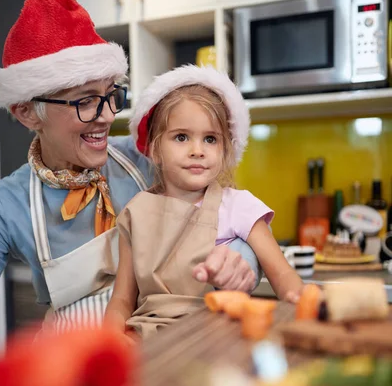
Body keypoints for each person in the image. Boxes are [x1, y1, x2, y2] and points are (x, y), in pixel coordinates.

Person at [0, 0, 259, 333]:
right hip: (78, 364)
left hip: (166, 344)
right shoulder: (5, 205)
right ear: (26, 112)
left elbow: (231, 215)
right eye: (85, 101)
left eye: (110, 95)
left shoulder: (149, 156)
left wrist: (241, 260)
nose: (106, 116)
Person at [105, 65, 303, 338]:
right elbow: (122, 301)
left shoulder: (240, 206)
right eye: (181, 137)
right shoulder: (135, 212)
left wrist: (303, 306)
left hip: (217, 336)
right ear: (154, 149)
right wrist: (110, 340)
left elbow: (284, 278)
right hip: (147, 337)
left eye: (210, 139)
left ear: (225, 150)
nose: (197, 151)